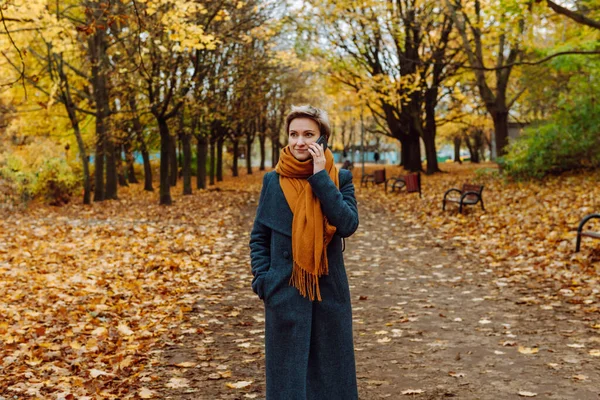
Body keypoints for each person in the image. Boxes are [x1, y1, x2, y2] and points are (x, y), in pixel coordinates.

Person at [249, 105, 359, 399]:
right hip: (284, 291)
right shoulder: (273, 180)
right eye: (293, 134)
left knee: (331, 381)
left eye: (308, 134)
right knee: (288, 382)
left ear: (323, 139)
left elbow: (347, 224)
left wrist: (320, 177)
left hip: (328, 294)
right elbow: (259, 237)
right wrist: (264, 281)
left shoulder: (340, 178)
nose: (299, 142)